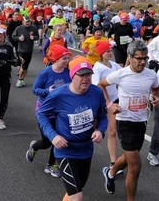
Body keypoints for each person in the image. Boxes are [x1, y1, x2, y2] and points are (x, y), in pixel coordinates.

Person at [36, 56, 108, 201]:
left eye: (89, 74)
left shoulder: (96, 92)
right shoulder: (58, 95)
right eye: (82, 75)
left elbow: (102, 115)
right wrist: (53, 136)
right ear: (72, 75)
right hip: (65, 150)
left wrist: (100, 130)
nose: (86, 79)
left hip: (86, 149)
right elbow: (42, 114)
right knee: (77, 196)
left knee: (75, 191)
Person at [98, 40, 159, 200]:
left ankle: (110, 172)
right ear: (130, 57)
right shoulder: (121, 74)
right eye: (139, 58)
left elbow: (156, 89)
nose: (142, 62)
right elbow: (100, 85)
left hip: (141, 121)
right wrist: (109, 104)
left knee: (128, 157)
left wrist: (157, 98)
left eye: (145, 58)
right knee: (135, 166)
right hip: (124, 121)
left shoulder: (151, 74)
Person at [27, 45, 72, 178]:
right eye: (64, 58)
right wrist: (48, 92)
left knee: (59, 138)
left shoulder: (68, 72)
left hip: (60, 111)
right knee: (47, 142)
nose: (67, 60)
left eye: (68, 58)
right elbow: (35, 89)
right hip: (45, 111)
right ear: (56, 59)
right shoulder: (45, 73)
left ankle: (51, 165)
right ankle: (35, 147)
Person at [92, 40, 123, 170]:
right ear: (101, 53)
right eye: (107, 51)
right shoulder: (97, 67)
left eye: (111, 50)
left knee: (112, 131)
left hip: (113, 100)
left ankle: (113, 162)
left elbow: (125, 73)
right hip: (101, 102)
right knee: (92, 129)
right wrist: (106, 102)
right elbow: (96, 86)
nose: (110, 53)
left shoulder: (114, 65)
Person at [12, 16, 39, 88]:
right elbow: (13, 36)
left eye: (29, 22)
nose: (28, 23)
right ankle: (19, 79)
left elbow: (37, 36)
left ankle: (22, 79)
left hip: (29, 50)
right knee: (23, 66)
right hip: (21, 50)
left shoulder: (33, 28)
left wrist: (34, 38)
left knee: (26, 66)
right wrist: (19, 38)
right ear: (23, 22)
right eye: (26, 22)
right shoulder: (19, 28)